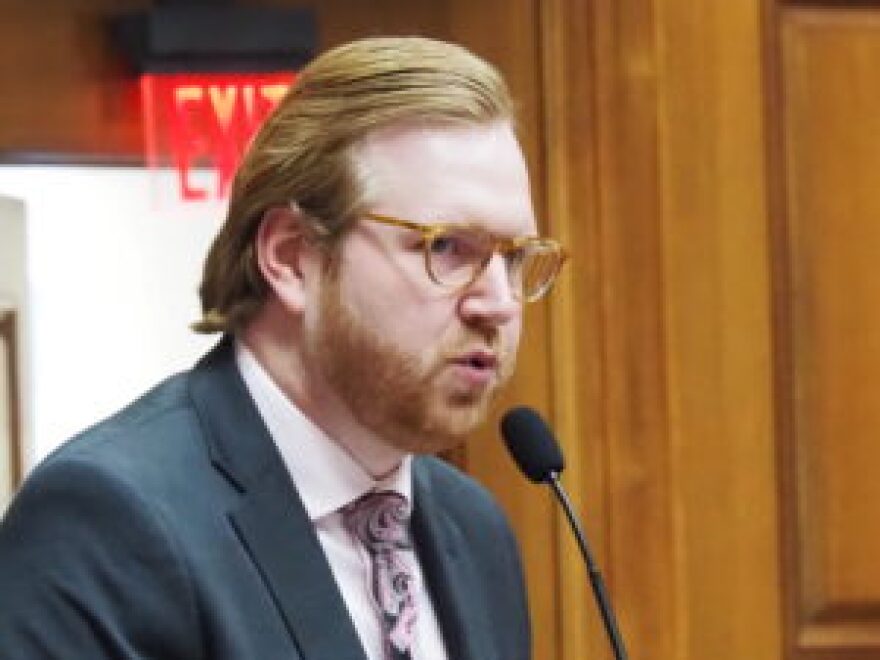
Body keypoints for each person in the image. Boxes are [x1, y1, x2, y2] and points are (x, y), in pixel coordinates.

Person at [0, 36, 566, 659]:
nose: (499, 303)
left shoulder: (474, 528)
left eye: (513, 258)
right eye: (446, 248)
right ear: (292, 256)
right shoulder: (109, 521)